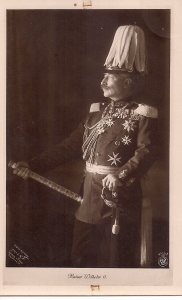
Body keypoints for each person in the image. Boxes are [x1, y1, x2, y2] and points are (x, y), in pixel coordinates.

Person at [13, 25, 158, 268]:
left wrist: (120, 174)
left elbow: (147, 151)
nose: (102, 81)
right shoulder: (95, 113)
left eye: (109, 77)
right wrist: (33, 165)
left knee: (118, 264)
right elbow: (69, 146)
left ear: (129, 83)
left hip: (119, 201)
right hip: (88, 199)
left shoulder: (142, 115)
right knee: (80, 260)